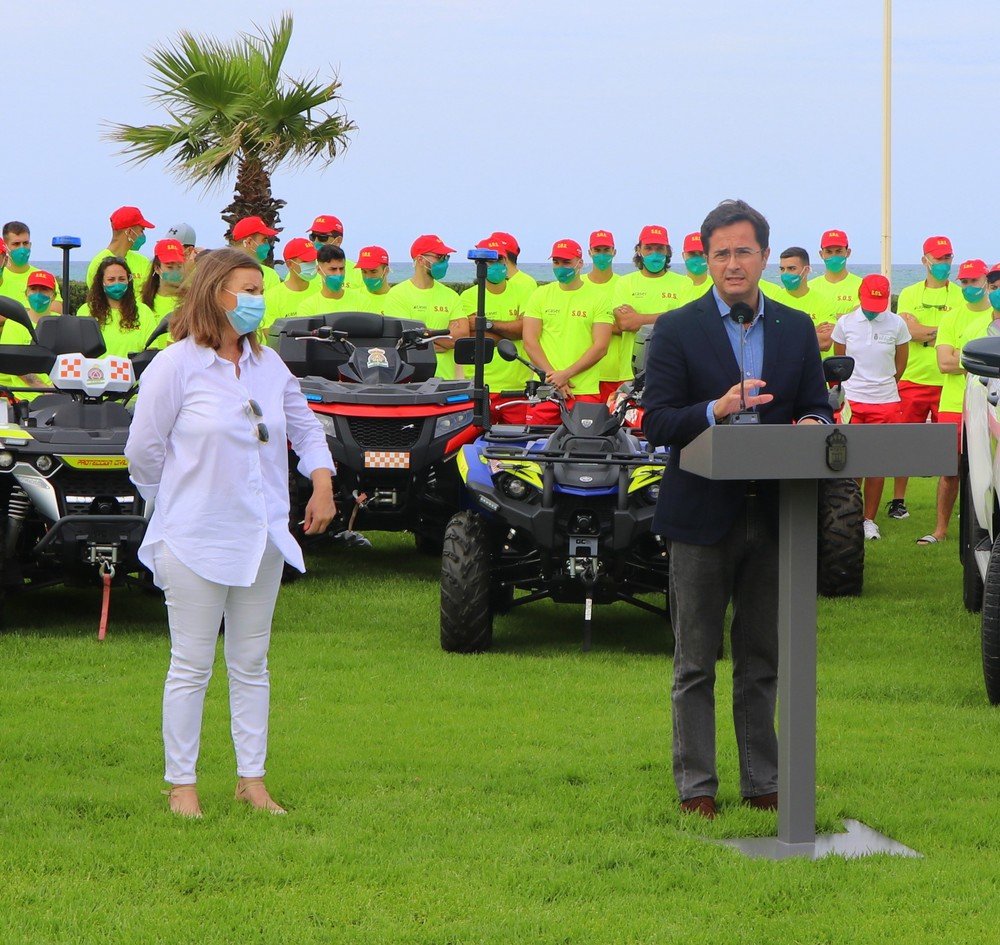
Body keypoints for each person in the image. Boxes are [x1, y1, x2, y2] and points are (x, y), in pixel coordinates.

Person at [124, 247, 336, 819]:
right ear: (216, 292)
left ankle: (252, 781)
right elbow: (143, 451)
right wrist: (168, 501)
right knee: (191, 665)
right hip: (195, 536)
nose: (256, 299)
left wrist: (322, 483)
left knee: (252, 663)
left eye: (258, 289)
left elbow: (306, 428)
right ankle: (182, 787)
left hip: (261, 537)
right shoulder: (175, 365)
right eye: (246, 288)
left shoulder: (270, 366)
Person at [642, 199, 832, 819]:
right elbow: (656, 421)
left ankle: (764, 782)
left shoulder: (796, 328)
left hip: (777, 513)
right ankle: (698, 788)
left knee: (762, 660)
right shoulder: (676, 328)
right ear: (705, 258)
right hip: (702, 514)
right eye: (720, 252)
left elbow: (817, 407)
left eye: (743, 251)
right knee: (696, 660)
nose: (732, 264)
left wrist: (812, 421)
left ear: (764, 257)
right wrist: (715, 410)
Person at [918, 259, 995, 545]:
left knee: (985, 471)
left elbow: (955, 359)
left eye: (974, 281)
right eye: (963, 282)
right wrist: (974, 361)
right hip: (953, 403)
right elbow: (943, 363)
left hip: (987, 402)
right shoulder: (952, 318)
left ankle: (983, 529)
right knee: (949, 471)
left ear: (986, 283)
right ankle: (940, 529)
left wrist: (962, 357)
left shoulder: (990, 320)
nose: (968, 287)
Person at [831, 274, 910, 540]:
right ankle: (849, 515)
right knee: (849, 461)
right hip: (852, 400)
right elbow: (840, 360)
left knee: (877, 462)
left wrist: (882, 385)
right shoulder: (845, 323)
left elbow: (901, 364)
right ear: (859, 295)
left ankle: (869, 520)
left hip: (886, 401)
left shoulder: (897, 324)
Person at [888, 235, 962, 520]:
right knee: (905, 442)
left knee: (952, 452)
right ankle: (898, 501)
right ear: (925, 261)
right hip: (913, 378)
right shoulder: (908, 293)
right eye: (939, 258)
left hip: (947, 384)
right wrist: (941, 332)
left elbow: (955, 335)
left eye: (948, 258)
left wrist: (928, 332)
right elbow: (910, 332)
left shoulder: (959, 294)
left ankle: (953, 510)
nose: (944, 263)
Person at [522, 238, 613, 423]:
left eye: (566, 262)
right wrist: (555, 378)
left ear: (580, 263)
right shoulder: (540, 294)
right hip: (545, 389)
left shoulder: (598, 298)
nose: (560, 267)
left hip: (584, 390)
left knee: (584, 448)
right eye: (556, 262)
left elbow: (601, 346)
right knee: (537, 446)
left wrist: (566, 374)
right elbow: (530, 342)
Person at [608, 225, 689, 397]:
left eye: (659, 248)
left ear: (667, 250)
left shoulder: (684, 284)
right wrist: (669, 316)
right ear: (639, 250)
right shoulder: (625, 283)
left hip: (672, 371)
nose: (654, 253)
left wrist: (639, 318)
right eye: (648, 248)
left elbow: (684, 323)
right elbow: (625, 323)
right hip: (630, 373)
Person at [459, 237, 532, 422]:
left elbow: (523, 329)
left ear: (505, 261)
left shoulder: (524, 292)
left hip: (516, 387)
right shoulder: (468, 296)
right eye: (486, 262)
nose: (492, 265)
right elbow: (473, 334)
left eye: (497, 259)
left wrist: (488, 324)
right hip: (480, 385)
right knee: (476, 442)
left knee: (517, 445)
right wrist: (509, 332)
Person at [386, 235, 468, 379]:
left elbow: (461, 338)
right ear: (420, 260)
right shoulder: (397, 294)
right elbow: (405, 343)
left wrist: (423, 334)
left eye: (446, 257)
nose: (445, 262)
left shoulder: (451, 295)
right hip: (412, 380)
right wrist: (445, 338)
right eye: (440, 257)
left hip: (446, 380)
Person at [78, 256, 159, 358]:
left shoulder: (144, 312)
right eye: (111, 280)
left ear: (128, 281)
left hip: (132, 373)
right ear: (101, 282)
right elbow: (79, 352)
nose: (117, 284)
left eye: (122, 279)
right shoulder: (86, 311)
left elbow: (151, 351)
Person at [775, 247, 838, 356]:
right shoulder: (773, 301)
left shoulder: (825, 301)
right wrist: (812, 331)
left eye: (791, 268)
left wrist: (785, 335)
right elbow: (769, 342)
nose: (785, 274)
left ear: (807, 270)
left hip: (816, 370)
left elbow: (825, 342)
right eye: (782, 269)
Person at [0, 221, 63, 313]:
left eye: (25, 243)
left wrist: (12, 313)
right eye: (16, 244)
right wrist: (36, 311)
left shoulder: (44, 277)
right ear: (5, 247)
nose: (22, 249)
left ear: (30, 245)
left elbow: (57, 310)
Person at [86, 206, 155, 290]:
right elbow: (97, 299)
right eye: (141, 230)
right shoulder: (98, 263)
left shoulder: (143, 262)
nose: (142, 235)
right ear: (129, 232)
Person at [262, 238, 321, 328]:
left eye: (313, 260)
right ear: (289, 264)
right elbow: (272, 335)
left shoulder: (321, 292)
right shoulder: (271, 297)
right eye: (306, 261)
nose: (312, 264)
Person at [810, 228, 862, 315]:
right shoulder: (810, 287)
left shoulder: (862, 286)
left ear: (848, 252)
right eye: (829, 252)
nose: (834, 257)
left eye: (838, 251)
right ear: (821, 254)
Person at [141, 238, 188, 327]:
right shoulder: (141, 301)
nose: (175, 271)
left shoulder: (191, 300)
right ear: (157, 268)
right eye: (169, 267)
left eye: (179, 266)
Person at [231, 216, 282, 291]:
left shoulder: (270, 275)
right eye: (264, 240)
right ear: (249, 242)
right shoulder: (224, 271)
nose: (267, 245)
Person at [308, 215, 356, 289]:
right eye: (313, 237)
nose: (316, 242)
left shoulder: (357, 273)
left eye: (322, 238)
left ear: (338, 241)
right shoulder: (302, 271)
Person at [351, 246, 398, 315]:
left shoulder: (397, 299)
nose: (368, 277)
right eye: (364, 271)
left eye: (373, 271)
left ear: (386, 271)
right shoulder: (352, 296)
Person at [679, 231, 711, 302]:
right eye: (692, 254)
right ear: (683, 256)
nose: (697, 259)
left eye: (701, 253)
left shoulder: (717, 287)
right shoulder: (676, 287)